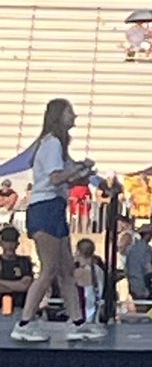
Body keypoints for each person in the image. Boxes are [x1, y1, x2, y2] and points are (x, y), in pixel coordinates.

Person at [10, 99, 103, 343]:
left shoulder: (58, 146)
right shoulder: (51, 143)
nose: (74, 116)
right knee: (49, 269)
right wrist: (79, 169)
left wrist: (83, 173)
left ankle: (77, 321)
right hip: (45, 208)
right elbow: (54, 179)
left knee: (66, 271)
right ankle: (24, 322)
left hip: (55, 207)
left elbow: (65, 180)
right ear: (59, 115)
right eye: (70, 112)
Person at [0, 224, 33, 311]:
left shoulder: (24, 261)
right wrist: (15, 286)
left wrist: (2, 284)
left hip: (20, 307)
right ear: (1, 243)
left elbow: (25, 285)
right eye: (7, 241)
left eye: (12, 241)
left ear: (17, 244)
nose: (10, 245)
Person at [125, 223, 152, 300]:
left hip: (132, 281)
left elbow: (126, 267)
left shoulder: (131, 248)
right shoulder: (147, 249)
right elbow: (148, 266)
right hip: (143, 282)